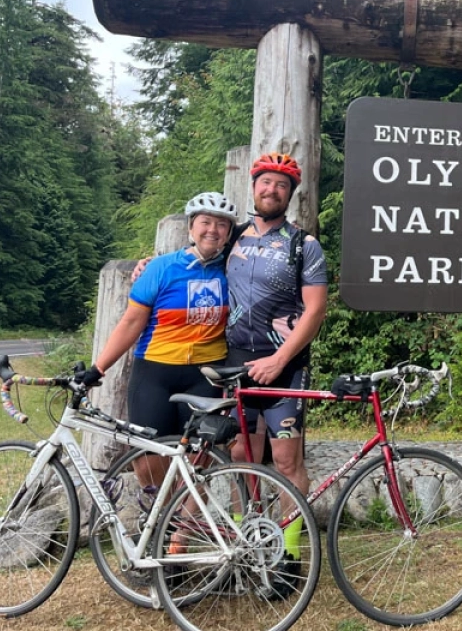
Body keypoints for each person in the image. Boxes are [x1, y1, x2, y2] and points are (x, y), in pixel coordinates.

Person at [84, 192, 239, 483]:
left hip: (205, 376)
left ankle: (185, 528)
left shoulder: (234, 269)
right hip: (155, 373)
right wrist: (98, 368)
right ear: (191, 228)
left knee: (195, 465)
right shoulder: (160, 267)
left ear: (229, 233)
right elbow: (131, 322)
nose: (212, 230)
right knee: (146, 461)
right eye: (205, 222)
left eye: (221, 225)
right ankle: (160, 523)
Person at [224, 152, 328, 497]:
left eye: (281, 185)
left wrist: (279, 360)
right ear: (253, 187)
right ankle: (248, 540)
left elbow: (315, 311)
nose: (272, 190)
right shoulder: (231, 237)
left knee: (286, 460)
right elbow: (192, 257)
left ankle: (290, 548)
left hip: (286, 365)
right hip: (237, 360)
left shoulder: (304, 245)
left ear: (290, 194)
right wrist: (147, 265)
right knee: (241, 453)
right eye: (266, 182)